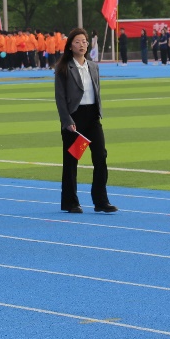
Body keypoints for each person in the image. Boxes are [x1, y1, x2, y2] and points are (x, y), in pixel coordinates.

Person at [54, 27, 117, 215]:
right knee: (72, 160)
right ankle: (70, 202)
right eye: (77, 42)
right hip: (75, 119)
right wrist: (67, 120)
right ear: (70, 46)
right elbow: (60, 98)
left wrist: (98, 113)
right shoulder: (64, 68)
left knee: (100, 156)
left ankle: (101, 201)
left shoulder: (93, 66)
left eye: (84, 41)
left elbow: (97, 92)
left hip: (92, 118)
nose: (82, 45)